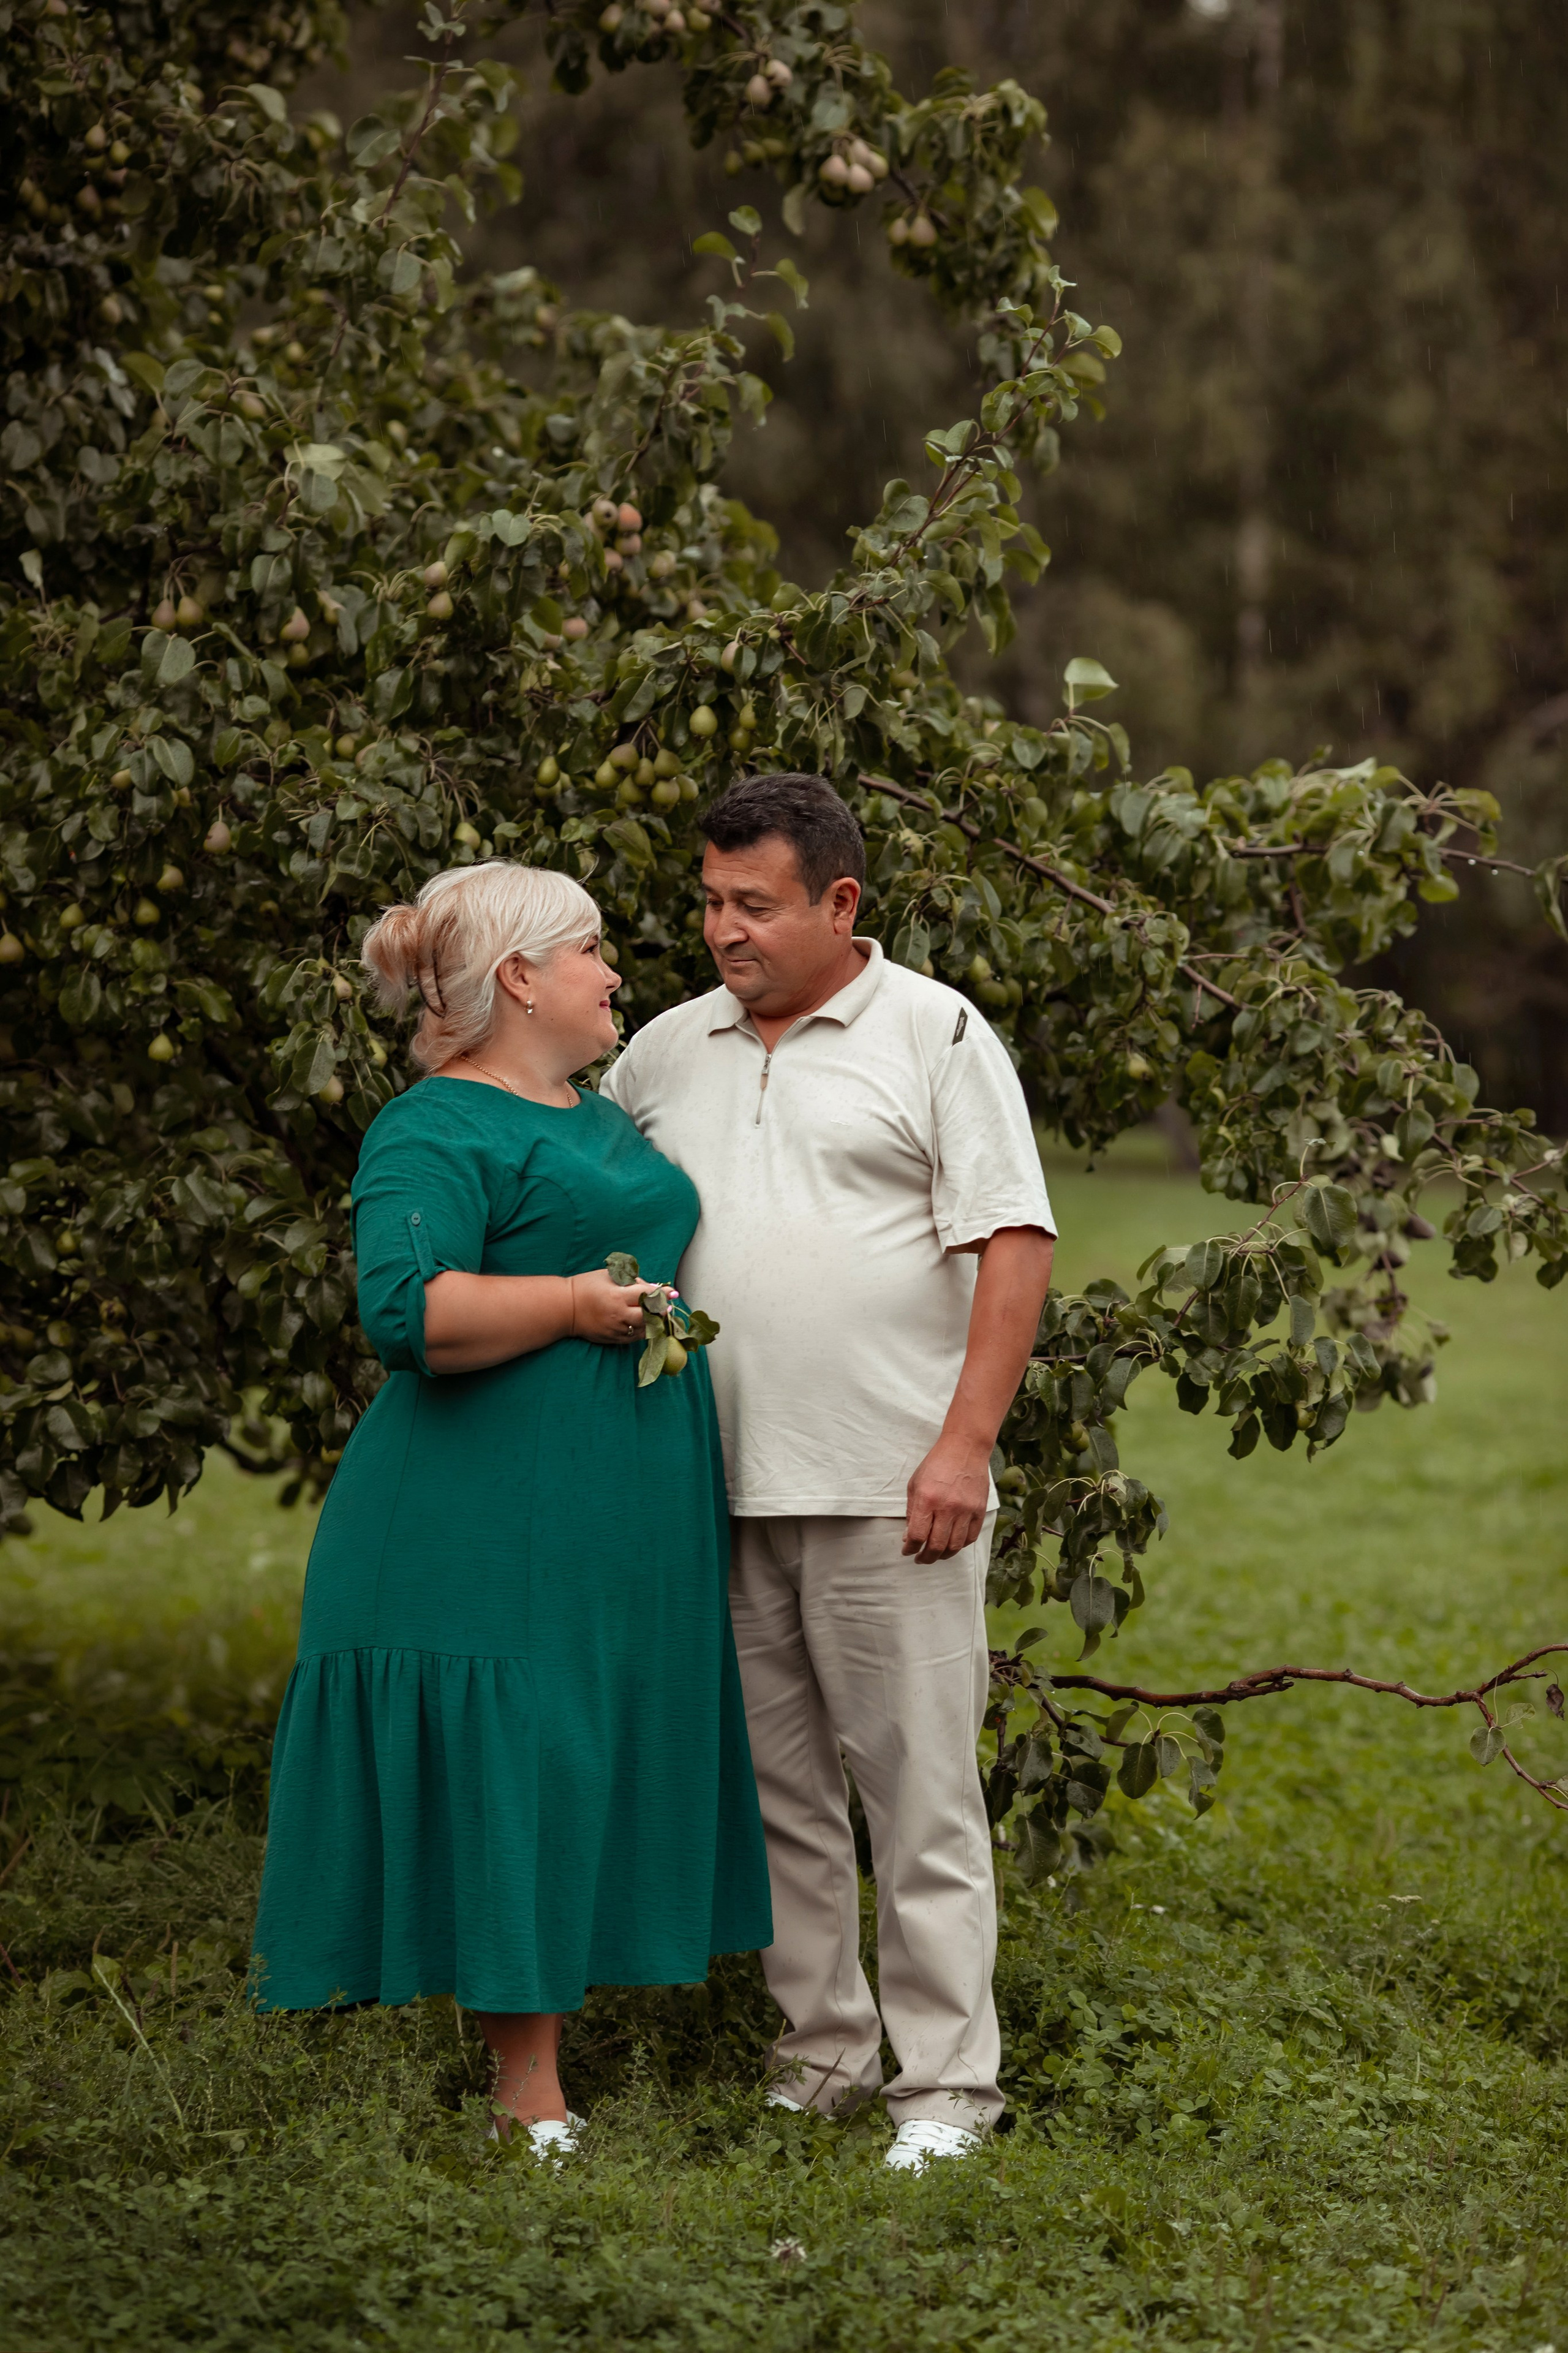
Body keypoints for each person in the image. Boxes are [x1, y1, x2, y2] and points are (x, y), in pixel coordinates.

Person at [250, 861, 771, 2156]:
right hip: (478, 1511)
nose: (616, 973)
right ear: (520, 977)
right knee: (522, 1755)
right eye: (592, 950)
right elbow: (404, 1310)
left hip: (616, 1503)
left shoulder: (597, 1114)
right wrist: (573, 1305)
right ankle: (523, 2090)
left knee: (583, 1742)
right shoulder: (433, 1128)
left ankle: (580, 2042)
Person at [600, 772, 1055, 2170]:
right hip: (711, 1484)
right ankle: (824, 2055)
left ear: (839, 902)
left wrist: (961, 1446)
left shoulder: (932, 1030)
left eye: (755, 903)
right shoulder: (665, 1051)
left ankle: (945, 2090)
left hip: (887, 1483)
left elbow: (1012, 1239)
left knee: (916, 1794)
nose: (721, 929)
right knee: (779, 1795)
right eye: (707, 900)